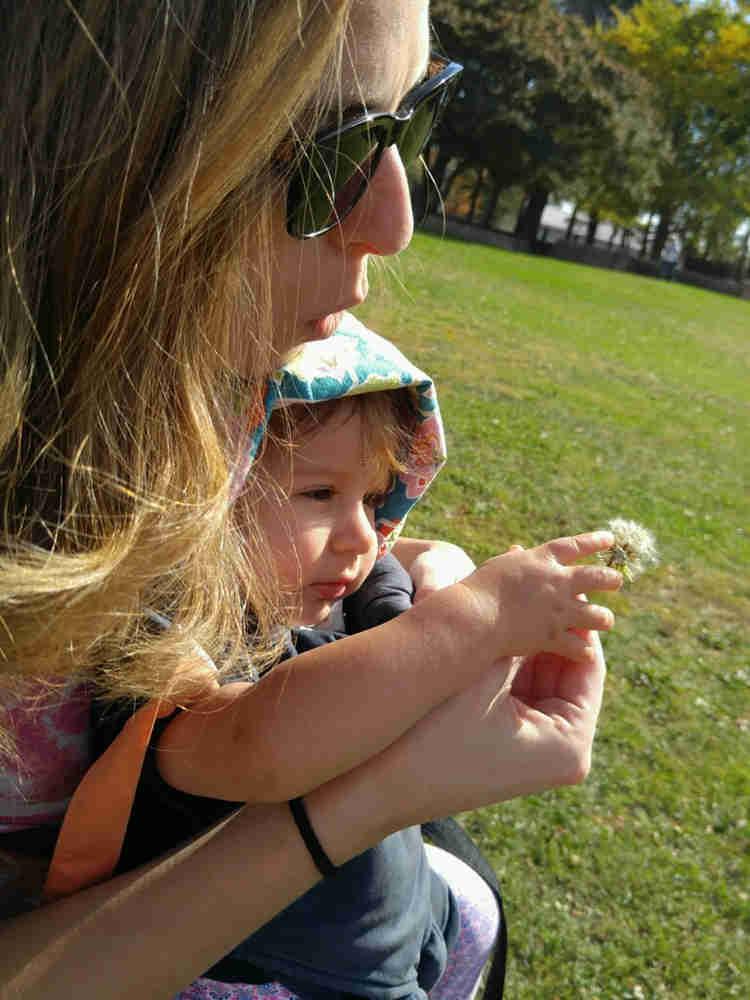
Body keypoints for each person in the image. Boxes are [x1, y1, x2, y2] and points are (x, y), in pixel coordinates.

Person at [0, 2, 623, 997]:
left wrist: (431, 571)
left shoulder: (201, 396)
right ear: (90, 158)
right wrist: (390, 774)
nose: (398, 221)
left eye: (415, 122)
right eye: (331, 152)